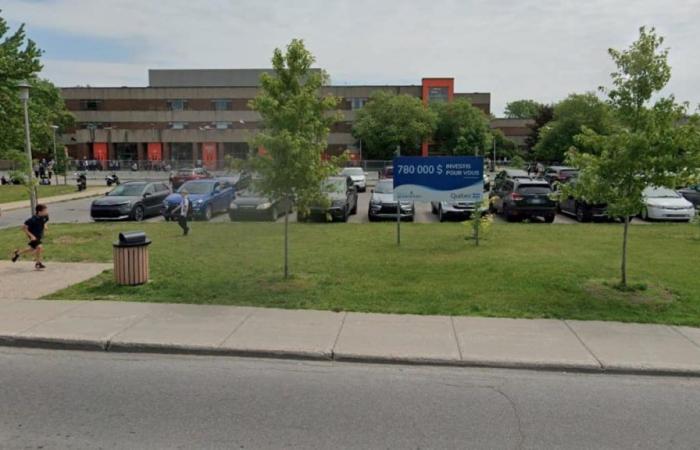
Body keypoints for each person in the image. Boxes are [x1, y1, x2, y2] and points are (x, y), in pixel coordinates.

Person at [11, 204, 50, 270]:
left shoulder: (45, 216)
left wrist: (45, 225)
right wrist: (31, 236)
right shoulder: (32, 219)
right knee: (39, 247)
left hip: (38, 235)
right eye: (45, 210)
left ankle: (18, 253)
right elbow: (23, 228)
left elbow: (45, 221)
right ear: (39, 212)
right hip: (33, 235)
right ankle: (38, 263)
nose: (47, 212)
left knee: (32, 248)